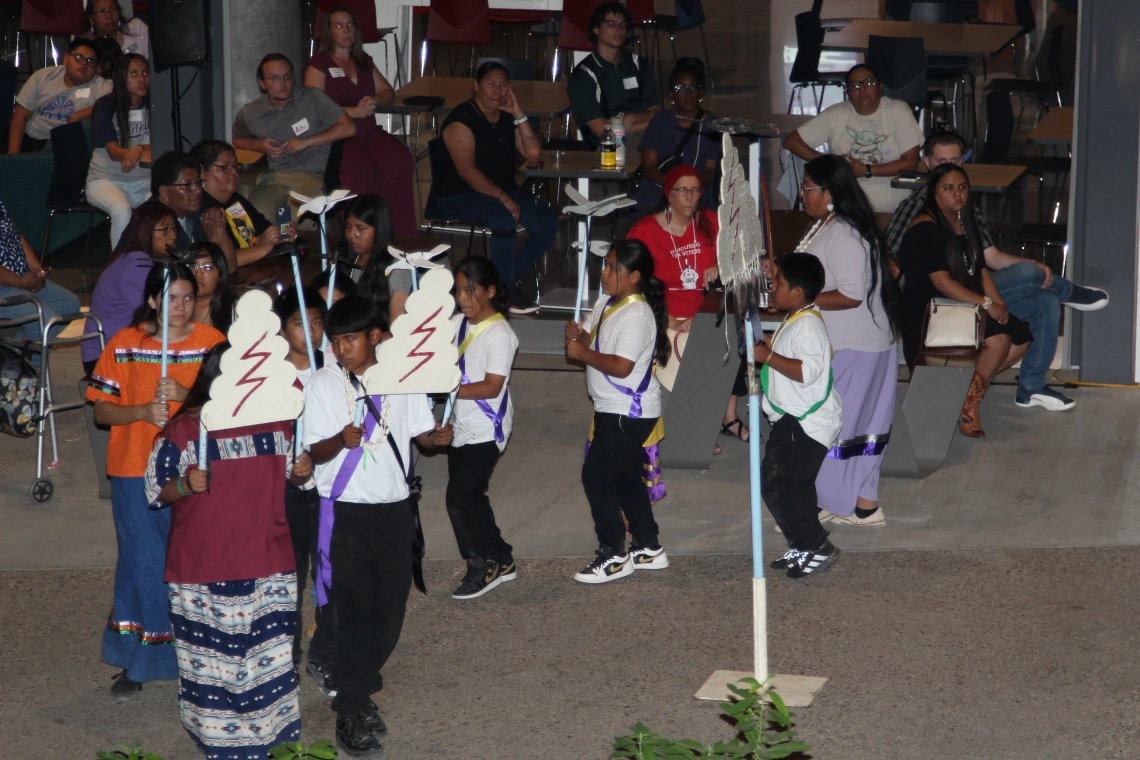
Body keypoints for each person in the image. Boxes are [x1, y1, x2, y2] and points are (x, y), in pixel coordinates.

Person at [303, 295, 452, 756]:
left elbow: (420, 436)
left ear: (375, 337)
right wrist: (338, 440)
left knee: (389, 614)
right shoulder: (323, 384)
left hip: (395, 513)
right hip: (346, 513)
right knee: (353, 611)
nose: (341, 349)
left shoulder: (402, 381)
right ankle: (351, 709)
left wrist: (436, 437)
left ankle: (356, 682)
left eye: (350, 339)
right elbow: (313, 454)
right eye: (336, 341)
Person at [145, 343, 311, 759]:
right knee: (214, 667)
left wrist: (302, 472)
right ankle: (223, 747)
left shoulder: (280, 425)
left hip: (267, 560)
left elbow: (298, 478)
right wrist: (185, 484)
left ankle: (270, 741)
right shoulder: (186, 429)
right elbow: (154, 490)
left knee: (267, 662)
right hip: (203, 564)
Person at [886, 130, 1109, 411]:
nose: (951, 165)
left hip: (971, 286)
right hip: (941, 299)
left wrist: (1033, 267)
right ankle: (1070, 291)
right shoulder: (919, 208)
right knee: (1029, 276)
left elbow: (989, 259)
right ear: (928, 163)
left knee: (1045, 302)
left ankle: (1031, 387)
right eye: (942, 160)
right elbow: (894, 257)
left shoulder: (962, 205)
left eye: (956, 158)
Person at [85, 263, 225, 698]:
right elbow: (102, 411)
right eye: (170, 298)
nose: (180, 307)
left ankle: (203, 652)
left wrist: (190, 397)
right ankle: (145, 658)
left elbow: (231, 408)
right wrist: (144, 412)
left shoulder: (214, 344)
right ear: (151, 301)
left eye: (187, 297)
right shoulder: (125, 345)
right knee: (143, 562)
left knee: (195, 562)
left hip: (193, 468)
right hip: (131, 468)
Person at [788, 156, 901, 529]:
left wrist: (799, 297)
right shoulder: (830, 226)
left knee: (841, 426)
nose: (802, 193)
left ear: (830, 193)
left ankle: (833, 503)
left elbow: (851, 294)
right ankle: (865, 506)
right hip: (862, 341)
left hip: (855, 343)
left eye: (808, 187)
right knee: (863, 424)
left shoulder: (845, 235)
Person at [899, 164, 1033, 438]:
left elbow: (981, 270)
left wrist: (1000, 307)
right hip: (931, 310)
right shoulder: (926, 228)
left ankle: (962, 395)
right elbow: (942, 282)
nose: (957, 194)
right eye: (948, 188)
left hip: (960, 305)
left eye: (962, 187)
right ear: (933, 192)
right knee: (999, 340)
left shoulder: (965, 220)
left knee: (1020, 335)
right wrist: (987, 305)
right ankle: (969, 406)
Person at [564, 239, 670, 584]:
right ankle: (648, 546)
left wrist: (581, 354)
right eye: (605, 265)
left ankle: (613, 554)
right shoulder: (606, 302)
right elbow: (596, 342)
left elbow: (622, 366)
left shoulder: (637, 315)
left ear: (635, 276)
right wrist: (580, 336)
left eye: (612, 268)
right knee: (625, 477)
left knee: (597, 477)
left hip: (629, 411)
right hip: (613, 408)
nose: (604, 273)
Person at [434, 61, 556, 315]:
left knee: (547, 221)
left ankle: (500, 284)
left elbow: (533, 153)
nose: (498, 91)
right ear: (476, 86)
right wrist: (503, 198)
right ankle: (507, 289)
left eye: (503, 86)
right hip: (458, 193)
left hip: (501, 191)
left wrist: (519, 113)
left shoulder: (505, 116)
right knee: (503, 220)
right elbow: (466, 172)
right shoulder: (461, 121)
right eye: (491, 84)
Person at [755, 252, 844, 579]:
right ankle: (804, 543)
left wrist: (767, 356)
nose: (772, 287)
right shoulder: (799, 316)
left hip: (805, 423)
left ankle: (816, 545)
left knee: (777, 484)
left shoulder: (807, 326)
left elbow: (806, 372)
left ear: (796, 292)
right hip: (794, 419)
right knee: (795, 486)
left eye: (778, 282)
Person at [304, 6, 417, 236]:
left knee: (399, 160)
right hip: (341, 135)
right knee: (360, 171)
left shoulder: (363, 60)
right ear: (329, 32)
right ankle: (359, 236)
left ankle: (398, 233)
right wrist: (352, 111)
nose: (346, 30)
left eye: (350, 24)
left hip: (369, 131)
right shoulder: (319, 64)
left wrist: (374, 101)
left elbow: (388, 91)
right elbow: (312, 108)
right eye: (338, 26)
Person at [274, 286, 337, 676]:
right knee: (290, 571)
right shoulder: (270, 375)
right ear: (282, 331)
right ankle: (288, 645)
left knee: (329, 570)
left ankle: (326, 646)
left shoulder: (334, 367)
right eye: (300, 324)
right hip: (287, 489)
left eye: (316, 322)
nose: (310, 332)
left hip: (330, 485)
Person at [447, 257, 519, 600]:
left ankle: (481, 565)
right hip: (460, 425)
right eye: (459, 290)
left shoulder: (500, 334)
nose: (462, 298)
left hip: (487, 427)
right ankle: (502, 557)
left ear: (490, 291)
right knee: (472, 496)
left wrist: (447, 387)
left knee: (459, 498)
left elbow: (492, 386)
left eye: (470, 290)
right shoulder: (458, 323)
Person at [231, 53, 357, 221]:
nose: (283, 84)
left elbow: (349, 128)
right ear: (262, 84)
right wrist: (259, 145)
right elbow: (234, 139)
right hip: (275, 178)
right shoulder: (251, 112)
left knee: (292, 218)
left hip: (314, 176)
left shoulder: (312, 98)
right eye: (274, 79)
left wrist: (305, 142)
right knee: (255, 216)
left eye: (287, 77)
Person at [783, 64, 924, 213]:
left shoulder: (897, 111)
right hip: (846, 209)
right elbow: (791, 141)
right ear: (847, 92)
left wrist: (867, 170)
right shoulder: (836, 114)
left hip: (893, 208)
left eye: (869, 83)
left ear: (880, 87)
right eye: (855, 86)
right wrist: (833, 163)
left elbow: (911, 163)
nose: (862, 89)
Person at [82, 200, 179, 374]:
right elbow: (156, 313)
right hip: (105, 355)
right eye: (165, 230)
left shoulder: (138, 259)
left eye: (173, 229)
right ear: (146, 232)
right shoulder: (137, 262)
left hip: (120, 348)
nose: (172, 235)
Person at [634, 58, 722, 218]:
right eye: (680, 88)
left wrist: (688, 188)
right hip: (660, 188)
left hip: (698, 192)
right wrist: (674, 185)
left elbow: (712, 171)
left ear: (701, 93)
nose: (688, 94)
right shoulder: (660, 122)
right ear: (671, 94)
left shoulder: (713, 125)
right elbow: (648, 167)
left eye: (693, 87)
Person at [567, 1, 661, 149]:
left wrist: (631, 118)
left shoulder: (639, 64)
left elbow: (657, 110)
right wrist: (649, 122)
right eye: (611, 24)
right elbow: (604, 132)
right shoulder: (583, 76)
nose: (619, 30)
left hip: (646, 135)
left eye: (623, 25)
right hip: (608, 146)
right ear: (596, 29)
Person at [194, 139, 295, 268]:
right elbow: (222, 260)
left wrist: (280, 234)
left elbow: (262, 230)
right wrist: (263, 248)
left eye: (235, 166)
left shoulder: (234, 199)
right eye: (225, 168)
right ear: (202, 172)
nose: (234, 173)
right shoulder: (202, 209)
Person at [86, 53, 152, 246]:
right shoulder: (106, 105)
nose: (141, 79)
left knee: (160, 208)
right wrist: (135, 151)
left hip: (142, 181)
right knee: (122, 209)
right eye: (134, 74)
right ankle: (119, 268)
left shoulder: (154, 105)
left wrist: (138, 149)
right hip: (106, 179)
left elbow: (161, 143)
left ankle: (155, 266)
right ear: (121, 77)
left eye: (145, 73)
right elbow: (114, 152)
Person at [9, 38, 110, 154]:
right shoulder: (42, 76)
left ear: (96, 68)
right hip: (32, 138)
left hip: (68, 146)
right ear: (66, 58)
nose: (84, 63)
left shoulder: (102, 86)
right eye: (78, 57)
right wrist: (13, 154)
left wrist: (84, 112)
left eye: (90, 61)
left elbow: (118, 103)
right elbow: (21, 116)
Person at [147, 152, 238, 271]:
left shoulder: (194, 214)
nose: (198, 191)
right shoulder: (154, 223)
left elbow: (230, 268)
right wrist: (213, 241)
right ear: (164, 193)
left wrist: (220, 230)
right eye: (188, 185)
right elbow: (188, 275)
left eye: (198, 183)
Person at [187, 242, 234, 335]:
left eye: (207, 267)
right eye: (193, 266)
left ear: (220, 273)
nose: (198, 274)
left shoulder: (235, 311)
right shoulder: (173, 308)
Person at [78, 0, 150, 60]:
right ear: (91, 18)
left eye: (113, 9)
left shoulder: (136, 27)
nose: (109, 16)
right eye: (102, 12)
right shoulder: (86, 46)